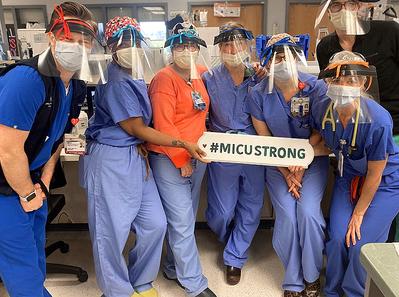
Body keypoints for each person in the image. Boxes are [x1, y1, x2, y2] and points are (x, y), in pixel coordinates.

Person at [79, 17, 207, 297]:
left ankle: (140, 281)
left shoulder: (136, 74)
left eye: (136, 41)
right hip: (111, 158)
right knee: (110, 233)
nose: (131, 47)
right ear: (110, 46)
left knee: (155, 224)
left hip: (136, 154)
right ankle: (117, 291)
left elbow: (137, 128)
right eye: (124, 42)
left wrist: (140, 141)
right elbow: (136, 126)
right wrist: (182, 143)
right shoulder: (115, 80)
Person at [0, 2, 98, 296]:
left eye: (84, 42)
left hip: (30, 180)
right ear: (51, 38)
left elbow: (57, 139)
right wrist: (26, 191)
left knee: (36, 260)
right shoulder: (27, 81)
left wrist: (42, 182)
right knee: (24, 271)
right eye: (69, 39)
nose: (77, 48)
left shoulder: (73, 84)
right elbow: (7, 151)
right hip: (6, 182)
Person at [247, 33, 330, 297]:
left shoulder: (315, 87)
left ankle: (311, 276)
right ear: (267, 62)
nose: (282, 61)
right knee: (287, 218)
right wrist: (286, 171)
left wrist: (301, 164)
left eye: (288, 56)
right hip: (277, 165)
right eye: (276, 57)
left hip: (312, 162)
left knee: (308, 214)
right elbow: (265, 139)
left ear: (298, 58)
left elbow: (319, 130)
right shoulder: (259, 93)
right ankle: (293, 280)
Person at [312, 50, 399, 297]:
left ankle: (353, 293)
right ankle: (331, 291)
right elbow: (328, 143)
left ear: (364, 82)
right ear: (328, 81)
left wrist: (359, 213)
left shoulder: (378, 120)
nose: (343, 86)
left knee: (360, 244)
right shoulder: (322, 109)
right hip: (348, 175)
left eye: (351, 80)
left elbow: (375, 173)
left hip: (385, 182)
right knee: (338, 238)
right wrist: (298, 158)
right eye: (337, 80)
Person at [148, 23, 217, 297]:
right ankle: (194, 284)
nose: (187, 51)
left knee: (184, 218)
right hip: (170, 158)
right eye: (180, 46)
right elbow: (164, 126)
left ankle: (171, 267)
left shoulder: (198, 74)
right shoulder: (163, 80)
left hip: (196, 155)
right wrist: (181, 159)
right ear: (171, 49)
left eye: (192, 46)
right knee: (182, 222)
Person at [201, 21, 265, 285]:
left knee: (251, 207)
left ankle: (234, 258)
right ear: (220, 48)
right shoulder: (209, 78)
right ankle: (229, 237)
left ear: (248, 46)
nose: (232, 48)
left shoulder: (259, 76)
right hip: (222, 149)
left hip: (254, 149)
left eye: (237, 43)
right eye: (226, 43)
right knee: (222, 211)